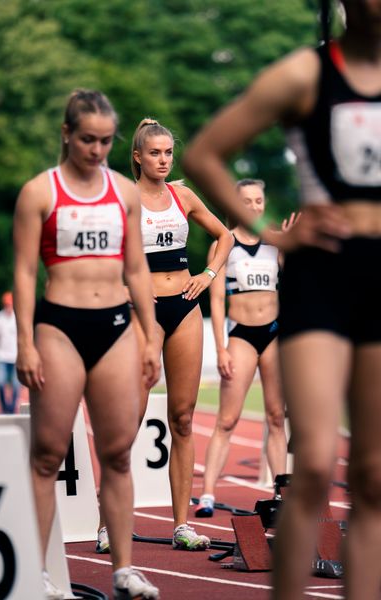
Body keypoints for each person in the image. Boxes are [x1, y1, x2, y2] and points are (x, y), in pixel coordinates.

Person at [182, 1, 381, 598]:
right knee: (315, 464)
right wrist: (270, 231)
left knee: (372, 474)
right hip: (322, 277)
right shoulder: (306, 74)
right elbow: (203, 155)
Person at [13, 89, 161, 600]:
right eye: (86, 140)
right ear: (67, 135)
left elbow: (137, 269)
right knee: (48, 454)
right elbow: (26, 271)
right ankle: (38, 573)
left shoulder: (124, 192)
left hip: (116, 324)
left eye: (104, 141)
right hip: (59, 326)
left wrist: (151, 333)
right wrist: (26, 343)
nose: (96, 150)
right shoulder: (40, 192)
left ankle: (124, 569)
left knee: (118, 453)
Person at [130, 118, 234, 550]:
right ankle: (105, 524)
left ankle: (181, 525)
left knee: (184, 418)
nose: (163, 160)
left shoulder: (183, 194)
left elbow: (225, 236)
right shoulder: (123, 197)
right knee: (128, 422)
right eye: (154, 153)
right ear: (137, 157)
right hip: (144, 311)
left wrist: (208, 274)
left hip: (185, 307)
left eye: (168, 153)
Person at [195, 179, 287, 518]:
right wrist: (220, 348)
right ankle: (206, 494)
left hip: (275, 333)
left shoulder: (275, 243)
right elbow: (216, 301)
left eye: (258, 200)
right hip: (242, 336)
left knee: (277, 417)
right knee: (228, 419)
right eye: (246, 201)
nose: (254, 207)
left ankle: (282, 492)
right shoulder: (225, 245)